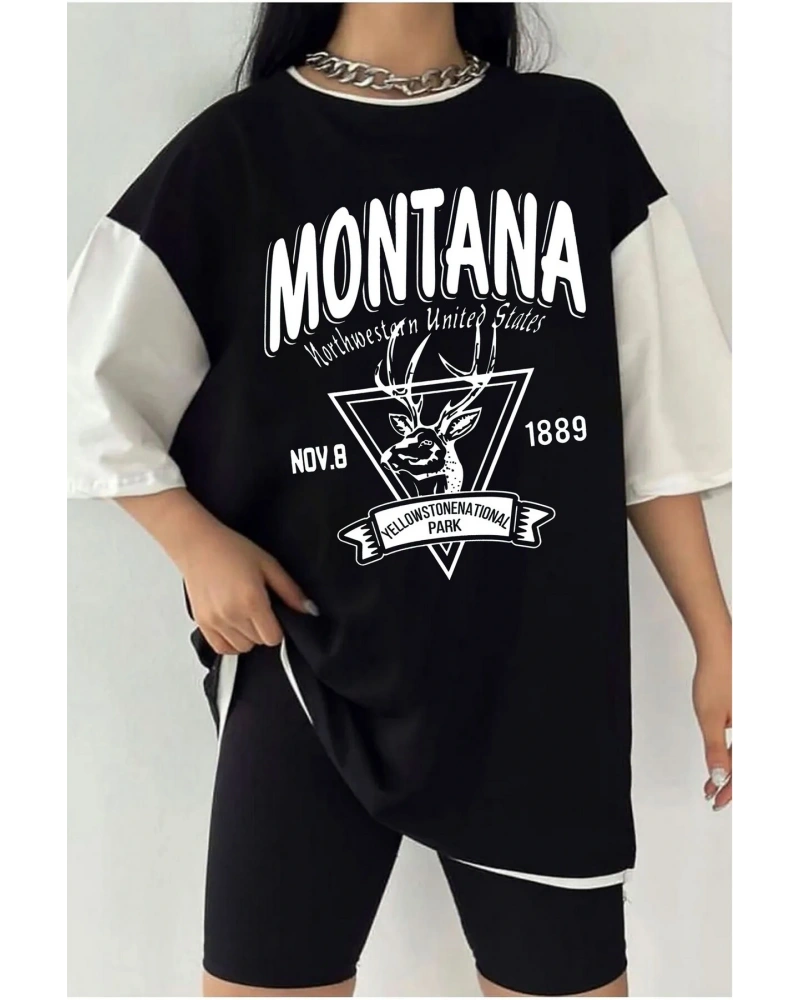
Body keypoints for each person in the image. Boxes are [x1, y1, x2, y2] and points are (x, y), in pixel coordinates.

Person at [65, 3, 733, 996]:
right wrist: (191, 539)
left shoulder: (573, 135)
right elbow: (73, 378)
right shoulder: (238, 154)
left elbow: (657, 417)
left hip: (537, 676)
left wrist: (718, 637)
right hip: (306, 659)